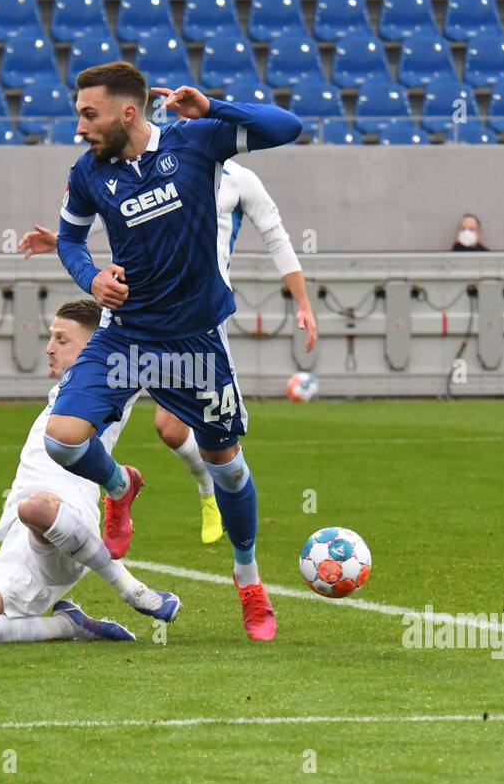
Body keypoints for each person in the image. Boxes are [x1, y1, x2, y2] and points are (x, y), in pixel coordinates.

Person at [43, 61, 302, 641]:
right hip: (127, 336)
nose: (81, 126)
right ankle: (119, 485)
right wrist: (91, 278)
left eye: (90, 114)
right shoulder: (87, 174)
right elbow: (68, 238)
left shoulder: (194, 141)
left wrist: (214, 107)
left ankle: (248, 578)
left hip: (195, 341)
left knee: (228, 470)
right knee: (61, 439)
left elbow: (288, 125)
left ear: (127, 112)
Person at [18, 158, 317, 546]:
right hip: (135, 320)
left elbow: (276, 237)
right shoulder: (158, 170)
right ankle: (116, 488)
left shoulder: (240, 179)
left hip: (197, 323)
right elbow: (117, 223)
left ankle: (208, 493)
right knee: (78, 426)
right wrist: (61, 243)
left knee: (172, 428)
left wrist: (304, 303)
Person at [0, 299, 181, 646]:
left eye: (61, 340)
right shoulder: (66, 395)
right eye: (50, 338)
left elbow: (150, 344)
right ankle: (69, 626)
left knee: (33, 507)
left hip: (63, 516)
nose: (49, 349)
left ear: (96, 346)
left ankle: (133, 590)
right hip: (21, 544)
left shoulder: (111, 382)